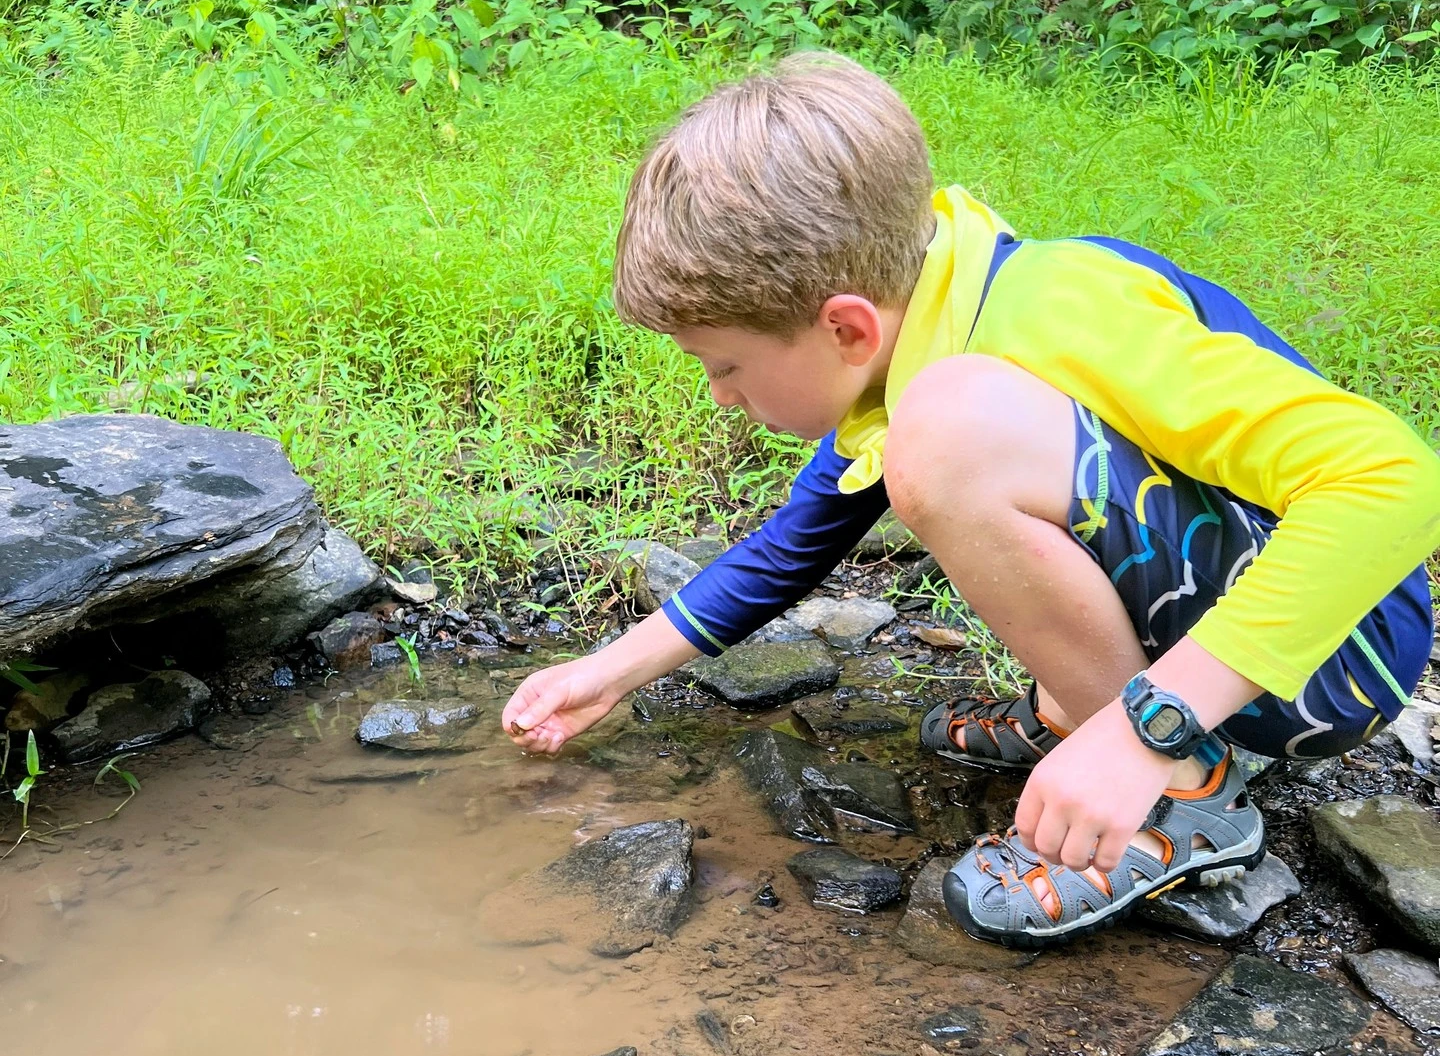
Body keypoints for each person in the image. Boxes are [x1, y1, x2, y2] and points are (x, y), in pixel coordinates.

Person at [502, 52, 1439, 950]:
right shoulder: (928, 308)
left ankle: (1183, 800)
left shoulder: (1052, 314)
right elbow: (797, 543)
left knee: (947, 436)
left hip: (1338, 654)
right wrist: (610, 671)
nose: (720, 396)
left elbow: (1396, 481)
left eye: (728, 366)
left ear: (845, 327)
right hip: (1246, 618)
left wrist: (1143, 728)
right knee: (942, 432)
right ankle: (1085, 709)